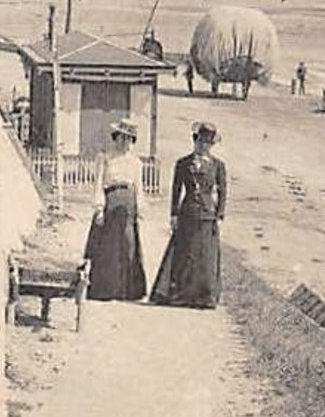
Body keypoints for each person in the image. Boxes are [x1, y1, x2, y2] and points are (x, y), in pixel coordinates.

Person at [150, 121, 227, 309]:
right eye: (200, 141)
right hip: (188, 213)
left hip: (208, 215)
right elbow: (176, 190)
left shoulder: (218, 165)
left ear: (212, 145)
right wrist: (174, 215)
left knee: (205, 256)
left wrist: (220, 213)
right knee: (186, 254)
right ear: (195, 141)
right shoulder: (183, 163)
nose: (203, 146)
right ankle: (181, 295)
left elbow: (223, 190)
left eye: (207, 143)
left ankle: (205, 297)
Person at [83, 119, 149, 301]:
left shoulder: (136, 163)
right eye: (122, 138)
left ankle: (127, 291)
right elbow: (98, 184)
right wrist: (99, 208)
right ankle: (104, 290)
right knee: (107, 247)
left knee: (128, 245)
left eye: (129, 139)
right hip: (110, 201)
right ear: (116, 138)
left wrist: (140, 209)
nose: (125, 142)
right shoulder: (104, 158)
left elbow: (139, 187)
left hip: (128, 204)